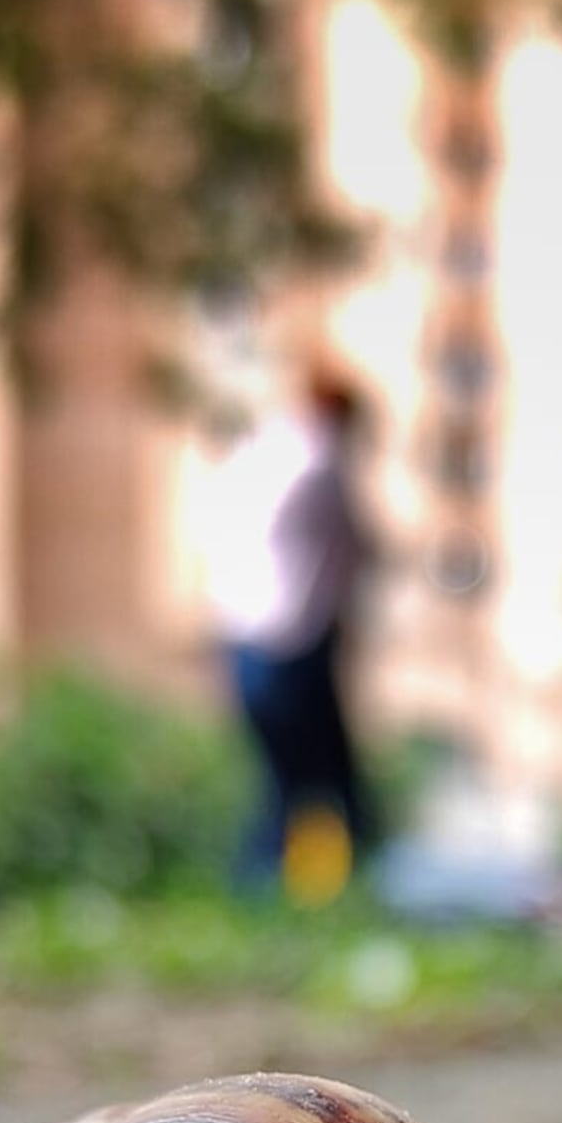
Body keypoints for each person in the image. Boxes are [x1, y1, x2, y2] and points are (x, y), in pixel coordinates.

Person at [208, 368, 378, 899]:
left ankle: (280, 890)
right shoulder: (317, 466)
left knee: (282, 781)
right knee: (322, 782)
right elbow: (356, 546)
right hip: (294, 643)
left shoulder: (257, 454)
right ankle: (323, 891)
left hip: (243, 638)